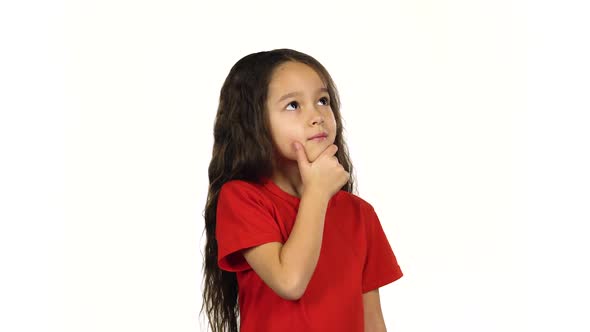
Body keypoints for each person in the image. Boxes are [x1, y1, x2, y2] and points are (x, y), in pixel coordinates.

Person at [201, 48, 403, 332]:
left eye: (323, 100)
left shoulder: (360, 214)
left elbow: (372, 322)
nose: (317, 116)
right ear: (254, 122)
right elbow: (290, 282)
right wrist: (317, 193)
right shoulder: (242, 198)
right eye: (294, 105)